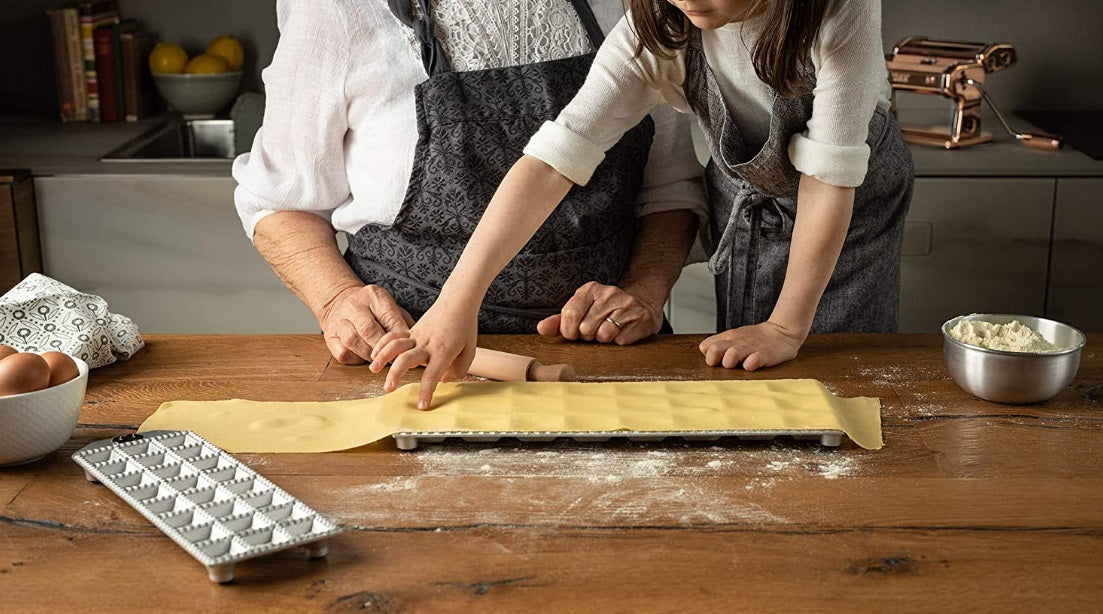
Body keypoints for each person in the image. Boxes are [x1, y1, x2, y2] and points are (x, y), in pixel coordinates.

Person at [374, 0, 914, 409]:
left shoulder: (838, 10)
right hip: (749, 192)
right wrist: (456, 303)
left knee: (831, 389)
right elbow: (551, 161)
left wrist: (786, 328)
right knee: (750, 390)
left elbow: (828, 178)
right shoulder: (659, 22)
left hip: (844, 207)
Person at [233, 0, 708, 364]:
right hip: (410, 357)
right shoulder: (338, 14)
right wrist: (337, 300)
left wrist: (644, 291)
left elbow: (669, 191)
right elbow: (279, 203)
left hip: (610, 355)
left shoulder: (630, 6)